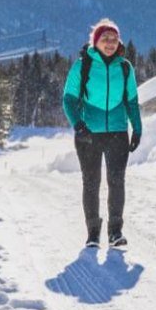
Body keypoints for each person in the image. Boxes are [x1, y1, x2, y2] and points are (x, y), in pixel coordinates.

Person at [62, 19, 143, 248]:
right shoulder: (83, 65)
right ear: (95, 41)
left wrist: (137, 128)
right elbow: (68, 99)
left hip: (117, 132)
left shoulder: (125, 67)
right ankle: (93, 233)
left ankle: (115, 232)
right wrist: (78, 124)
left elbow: (132, 101)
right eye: (105, 39)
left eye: (114, 39)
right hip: (88, 133)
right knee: (91, 182)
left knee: (116, 182)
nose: (110, 43)